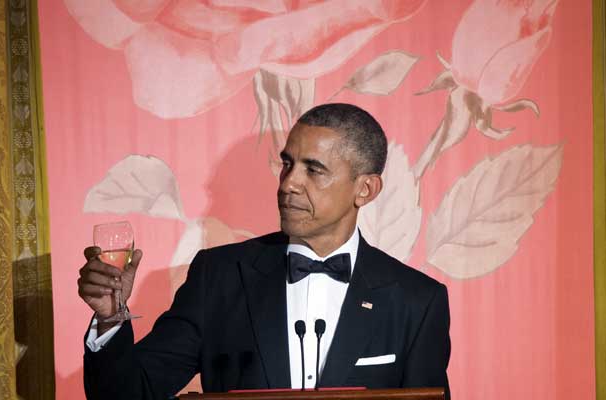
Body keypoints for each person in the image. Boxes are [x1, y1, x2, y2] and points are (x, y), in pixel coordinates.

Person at [79, 103, 451, 400]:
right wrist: (111, 319)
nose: (289, 183)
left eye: (314, 170)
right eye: (287, 164)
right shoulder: (219, 276)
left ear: (365, 189)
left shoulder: (418, 301)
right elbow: (130, 392)